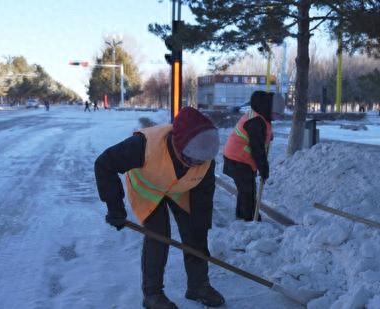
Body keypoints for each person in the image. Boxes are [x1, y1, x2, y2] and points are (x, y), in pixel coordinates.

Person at [94, 107, 224, 309]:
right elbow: (104, 164)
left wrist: (200, 226)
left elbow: (203, 198)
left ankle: (198, 286)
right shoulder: (143, 145)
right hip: (147, 187)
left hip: (179, 188)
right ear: (177, 145)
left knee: (195, 233)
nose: (196, 164)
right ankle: (152, 294)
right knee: (158, 235)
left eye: (200, 161)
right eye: (191, 159)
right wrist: (115, 208)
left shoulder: (204, 156)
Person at [223, 91, 273, 221]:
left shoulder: (259, 117)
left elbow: (261, 138)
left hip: (238, 159)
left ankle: (244, 216)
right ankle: (249, 218)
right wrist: (263, 168)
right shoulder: (255, 122)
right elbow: (257, 149)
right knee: (248, 191)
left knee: (246, 189)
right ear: (266, 107)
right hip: (237, 159)